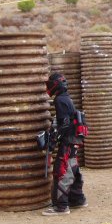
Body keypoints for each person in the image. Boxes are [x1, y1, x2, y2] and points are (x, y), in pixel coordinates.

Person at [42, 72, 87, 216]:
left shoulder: (60, 99)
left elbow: (64, 123)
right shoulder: (65, 97)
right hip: (74, 139)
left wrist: (54, 138)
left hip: (69, 139)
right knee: (72, 167)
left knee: (61, 170)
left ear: (56, 85)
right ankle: (77, 199)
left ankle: (61, 206)